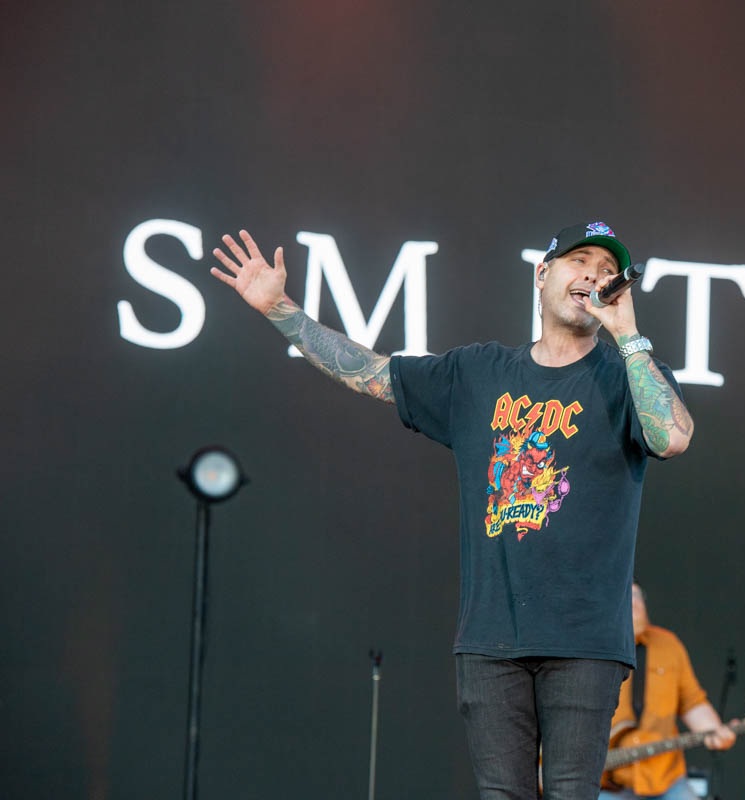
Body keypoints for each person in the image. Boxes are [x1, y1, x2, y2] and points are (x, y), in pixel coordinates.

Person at [211, 222, 693, 800]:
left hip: (585, 640)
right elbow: (371, 374)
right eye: (580, 260)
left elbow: (672, 438)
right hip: (491, 639)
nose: (594, 274)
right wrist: (279, 308)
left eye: (607, 269)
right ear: (542, 275)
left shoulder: (627, 378)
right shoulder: (477, 373)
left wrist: (629, 336)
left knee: (571, 793)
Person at [599, 583, 736, 800]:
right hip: (607, 784)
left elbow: (692, 703)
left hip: (666, 780)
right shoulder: (592, 650)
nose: (633, 601)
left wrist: (714, 731)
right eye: (624, 595)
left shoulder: (669, 645)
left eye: (637, 595)